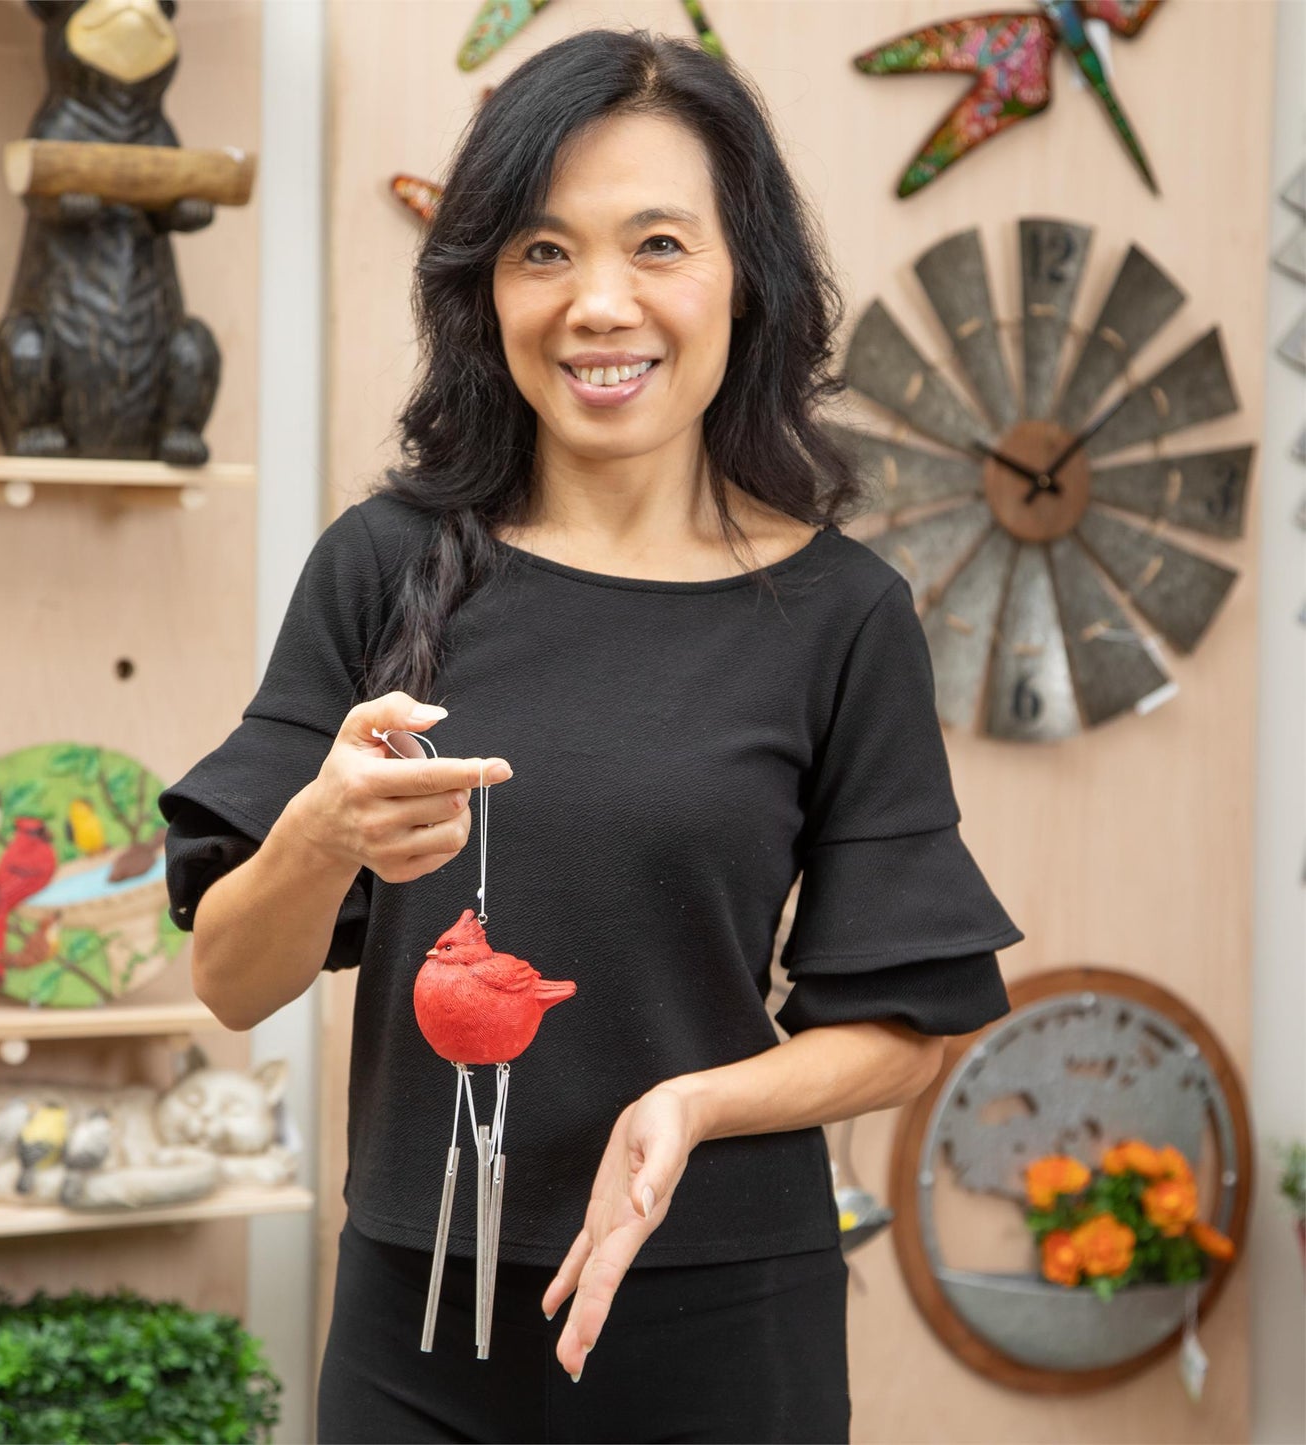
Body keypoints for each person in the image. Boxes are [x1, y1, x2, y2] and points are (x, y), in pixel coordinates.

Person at [160, 28, 1023, 1445]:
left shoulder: (839, 615)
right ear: (484, 288)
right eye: (543, 251)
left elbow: (899, 1029)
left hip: (724, 1314)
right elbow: (229, 979)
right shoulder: (381, 567)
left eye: (658, 245)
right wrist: (316, 836)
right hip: (418, 1309)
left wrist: (691, 1102)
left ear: (744, 280)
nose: (597, 304)